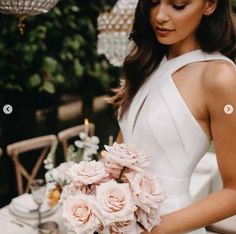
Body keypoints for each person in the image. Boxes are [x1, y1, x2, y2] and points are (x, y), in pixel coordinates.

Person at [112, 0, 236, 233]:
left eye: (178, 5)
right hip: (121, 221)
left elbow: (234, 191)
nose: (159, 16)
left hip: (169, 224)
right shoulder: (147, 64)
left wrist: (152, 230)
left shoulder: (220, 77)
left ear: (209, 5)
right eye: (153, 3)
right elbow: (120, 155)